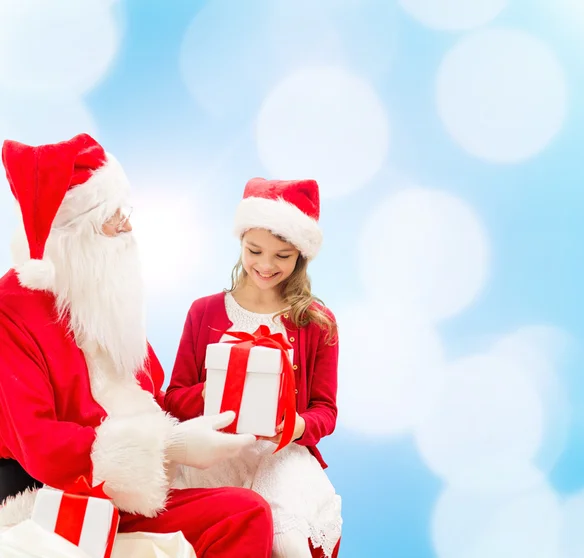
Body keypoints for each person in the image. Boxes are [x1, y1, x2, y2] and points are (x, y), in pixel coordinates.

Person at [0, 134, 274, 557]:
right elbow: (41, 445)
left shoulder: (101, 294)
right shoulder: (12, 311)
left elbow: (152, 399)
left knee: (250, 509)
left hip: (128, 492)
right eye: (114, 217)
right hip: (57, 497)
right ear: (75, 234)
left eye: (125, 212)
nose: (128, 227)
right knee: (244, 513)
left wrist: (230, 392)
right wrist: (169, 446)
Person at [165, 178, 343, 558]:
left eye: (282, 255)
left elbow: (325, 411)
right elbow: (175, 398)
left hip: (282, 455)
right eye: (254, 250)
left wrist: (296, 425)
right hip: (215, 453)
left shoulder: (317, 322)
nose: (265, 265)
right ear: (241, 242)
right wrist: (224, 388)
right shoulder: (204, 312)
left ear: (300, 256)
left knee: (285, 539)